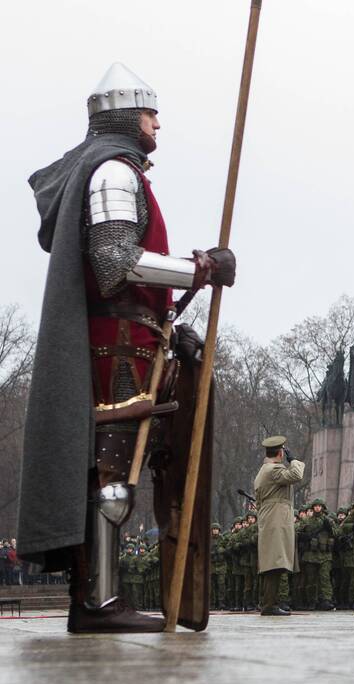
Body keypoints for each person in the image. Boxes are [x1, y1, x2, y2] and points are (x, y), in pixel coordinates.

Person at [18, 62, 236, 634]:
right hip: (116, 350)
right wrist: (199, 268)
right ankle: (99, 602)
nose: (158, 124)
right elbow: (115, 265)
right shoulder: (113, 172)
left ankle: (98, 598)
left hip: (133, 341)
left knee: (116, 471)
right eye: (150, 113)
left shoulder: (116, 170)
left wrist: (172, 314)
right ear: (125, 117)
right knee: (111, 475)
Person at [254, 436, 305, 616]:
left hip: (273, 518)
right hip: (276, 519)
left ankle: (271, 603)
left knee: (274, 563)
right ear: (280, 453)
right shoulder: (273, 469)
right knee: (274, 564)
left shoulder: (265, 469)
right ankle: (269, 605)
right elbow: (296, 475)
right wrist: (295, 461)